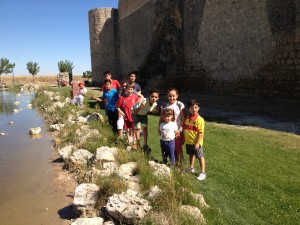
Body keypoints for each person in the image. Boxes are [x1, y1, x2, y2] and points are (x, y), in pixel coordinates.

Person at [159, 88, 185, 165]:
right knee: (169, 149)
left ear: (177, 96)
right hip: (167, 130)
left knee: (178, 149)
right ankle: (172, 164)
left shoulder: (180, 104)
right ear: (167, 96)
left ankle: (181, 165)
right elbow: (161, 118)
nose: (172, 98)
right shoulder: (164, 105)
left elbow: (183, 118)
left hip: (177, 131)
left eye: (173, 96)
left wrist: (179, 130)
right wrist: (159, 129)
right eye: (170, 96)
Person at [183, 99, 206, 180]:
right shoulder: (187, 118)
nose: (194, 109)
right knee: (191, 155)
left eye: (196, 107)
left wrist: (198, 143)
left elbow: (200, 132)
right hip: (189, 142)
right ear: (189, 109)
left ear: (198, 108)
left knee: (200, 156)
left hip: (196, 143)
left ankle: (203, 172)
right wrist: (183, 138)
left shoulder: (200, 119)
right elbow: (185, 129)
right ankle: (191, 168)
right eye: (192, 108)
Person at [116, 83, 139, 148]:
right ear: (125, 89)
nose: (129, 90)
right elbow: (117, 106)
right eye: (128, 89)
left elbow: (138, 106)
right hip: (126, 116)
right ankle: (128, 141)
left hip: (133, 116)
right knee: (127, 129)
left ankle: (134, 142)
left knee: (134, 129)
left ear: (133, 89)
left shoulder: (135, 97)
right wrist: (120, 112)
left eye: (131, 89)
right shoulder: (122, 97)